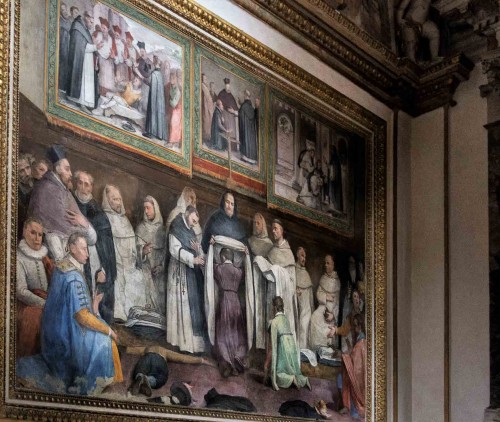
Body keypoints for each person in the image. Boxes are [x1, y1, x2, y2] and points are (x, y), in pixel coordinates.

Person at [40, 232, 123, 395]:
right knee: (107, 341)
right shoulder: (73, 277)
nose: (87, 253)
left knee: (102, 325)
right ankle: (102, 382)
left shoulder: (62, 267)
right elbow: (81, 316)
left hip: (55, 329)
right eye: (84, 249)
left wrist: (94, 305)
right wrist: (109, 331)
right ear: (71, 248)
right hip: (66, 337)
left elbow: (75, 308)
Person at [28, 145, 97, 261]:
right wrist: (86, 227)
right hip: (52, 253)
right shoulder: (46, 189)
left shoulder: (63, 189)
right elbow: (62, 226)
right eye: (67, 169)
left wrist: (84, 224)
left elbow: (77, 218)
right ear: (58, 170)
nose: (70, 173)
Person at [73, 170, 116, 324]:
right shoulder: (70, 204)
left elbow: (107, 246)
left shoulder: (98, 212)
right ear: (76, 184)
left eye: (87, 184)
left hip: (95, 263)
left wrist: (104, 269)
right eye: (80, 183)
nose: (83, 187)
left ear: (91, 187)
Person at [102, 184, 147, 322]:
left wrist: (141, 252)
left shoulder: (125, 220)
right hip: (115, 264)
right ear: (107, 201)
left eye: (119, 199)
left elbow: (133, 247)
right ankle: (119, 315)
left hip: (130, 264)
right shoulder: (106, 219)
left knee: (139, 277)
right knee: (119, 281)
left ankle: (135, 315)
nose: (118, 202)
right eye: (114, 199)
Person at [166, 205, 206, 353]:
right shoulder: (176, 225)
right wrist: (192, 259)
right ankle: (181, 343)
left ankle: (192, 345)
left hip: (191, 273)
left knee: (193, 305)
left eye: (195, 222)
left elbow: (199, 251)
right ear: (187, 214)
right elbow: (174, 250)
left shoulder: (191, 230)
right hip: (180, 271)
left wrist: (197, 252)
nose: (193, 224)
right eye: (192, 220)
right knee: (181, 306)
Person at [253, 219, 298, 349]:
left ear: (282, 231)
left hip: (284, 295)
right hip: (272, 292)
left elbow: (292, 280)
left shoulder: (288, 253)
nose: (273, 231)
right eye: (272, 228)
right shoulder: (272, 251)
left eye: (276, 228)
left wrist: (278, 271)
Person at [16, 218, 54, 357]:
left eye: (40, 234)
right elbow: (20, 292)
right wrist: (44, 304)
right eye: (33, 233)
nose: (37, 238)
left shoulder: (44, 257)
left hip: (45, 299)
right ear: (24, 232)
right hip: (26, 305)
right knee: (35, 318)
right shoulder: (18, 258)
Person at [213, 248, 247, 377]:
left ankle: (227, 362)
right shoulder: (238, 271)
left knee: (223, 332)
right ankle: (237, 356)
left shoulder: (219, 268)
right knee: (237, 332)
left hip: (225, 300)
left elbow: (209, 265)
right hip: (236, 301)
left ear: (222, 257)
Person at [264, 296, 310, 391]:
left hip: (283, 348)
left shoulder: (274, 322)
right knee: (294, 370)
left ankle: (292, 379)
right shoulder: (285, 319)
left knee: (278, 375)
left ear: (274, 308)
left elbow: (273, 347)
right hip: (292, 346)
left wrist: (267, 366)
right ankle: (304, 380)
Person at [66, 11, 102, 113]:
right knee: (83, 83)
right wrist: (96, 47)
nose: (91, 24)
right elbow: (81, 47)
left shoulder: (83, 29)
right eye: (90, 22)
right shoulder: (78, 28)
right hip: (82, 62)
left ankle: (82, 102)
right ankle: (82, 103)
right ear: (86, 18)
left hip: (86, 61)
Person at [136, 196, 166, 314]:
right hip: (146, 270)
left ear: (155, 209)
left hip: (159, 273)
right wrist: (143, 251)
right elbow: (134, 253)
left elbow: (166, 254)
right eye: (144, 208)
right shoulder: (140, 229)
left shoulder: (163, 231)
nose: (146, 211)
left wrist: (161, 267)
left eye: (148, 208)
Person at [337, 313, 366, 419]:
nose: (353, 328)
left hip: (357, 380)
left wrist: (343, 356)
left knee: (340, 378)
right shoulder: (361, 340)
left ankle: (348, 406)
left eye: (355, 326)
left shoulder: (361, 344)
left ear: (359, 327)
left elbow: (356, 366)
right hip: (358, 376)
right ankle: (346, 406)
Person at [309, 254, 341, 350]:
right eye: (325, 263)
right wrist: (326, 296)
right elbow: (318, 293)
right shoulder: (323, 278)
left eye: (328, 263)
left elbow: (337, 303)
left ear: (333, 265)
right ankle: (316, 349)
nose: (326, 265)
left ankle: (326, 350)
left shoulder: (337, 281)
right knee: (314, 318)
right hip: (322, 307)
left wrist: (333, 315)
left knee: (328, 327)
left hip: (331, 311)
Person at [140, 55, 167, 141]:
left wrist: (140, 77)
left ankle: (152, 132)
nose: (153, 62)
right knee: (157, 113)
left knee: (153, 112)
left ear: (156, 62)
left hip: (154, 98)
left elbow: (149, 82)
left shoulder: (155, 73)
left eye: (154, 60)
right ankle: (159, 134)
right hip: (158, 98)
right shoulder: (159, 74)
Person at [331, 289, 364, 354]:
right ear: (352, 300)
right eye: (354, 297)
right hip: (355, 342)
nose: (356, 299)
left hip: (362, 341)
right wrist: (336, 330)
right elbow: (345, 329)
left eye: (357, 297)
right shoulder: (350, 316)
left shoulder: (363, 313)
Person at [295, 247, 313, 349]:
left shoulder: (306, 273)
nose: (304, 259)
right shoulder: (293, 270)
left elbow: (310, 295)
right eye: (302, 255)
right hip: (297, 307)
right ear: (297, 255)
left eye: (305, 256)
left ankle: (304, 351)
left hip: (306, 309)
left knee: (305, 326)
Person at [238, 90, 259, 164]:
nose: (243, 96)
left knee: (246, 140)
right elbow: (252, 116)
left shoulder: (244, 106)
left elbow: (241, 114)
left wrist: (239, 108)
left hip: (246, 129)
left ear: (246, 96)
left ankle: (245, 157)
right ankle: (252, 159)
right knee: (251, 142)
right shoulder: (251, 107)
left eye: (244, 95)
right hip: (251, 131)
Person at [95, 18, 115, 95]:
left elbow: (110, 49)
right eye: (102, 28)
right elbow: (97, 46)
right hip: (100, 56)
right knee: (102, 75)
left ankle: (107, 92)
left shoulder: (110, 38)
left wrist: (110, 55)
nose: (103, 30)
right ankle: (101, 92)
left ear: (107, 29)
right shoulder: (99, 35)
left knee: (109, 74)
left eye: (104, 28)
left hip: (108, 58)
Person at [217, 78, 239, 144]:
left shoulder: (230, 95)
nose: (228, 88)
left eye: (228, 86)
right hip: (224, 114)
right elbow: (218, 105)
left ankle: (232, 145)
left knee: (232, 131)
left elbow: (235, 106)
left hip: (231, 116)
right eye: (226, 86)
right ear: (225, 86)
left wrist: (234, 110)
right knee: (226, 130)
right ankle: (225, 144)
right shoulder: (221, 94)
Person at [18, 153, 34, 238]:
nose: (27, 173)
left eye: (27, 168)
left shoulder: (36, 183)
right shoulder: (16, 192)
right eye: (21, 171)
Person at [166, 69, 182, 146]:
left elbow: (173, 103)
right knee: (170, 122)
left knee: (174, 123)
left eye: (173, 78)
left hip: (177, 109)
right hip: (173, 109)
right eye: (170, 78)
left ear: (176, 79)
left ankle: (172, 142)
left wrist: (169, 100)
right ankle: (173, 141)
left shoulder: (177, 90)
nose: (171, 80)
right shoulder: (171, 86)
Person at [58, 2, 72, 92]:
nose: (65, 12)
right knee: (62, 65)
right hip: (62, 47)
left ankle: (65, 87)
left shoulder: (69, 21)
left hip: (68, 47)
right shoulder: (60, 21)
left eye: (65, 9)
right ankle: (61, 86)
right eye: (62, 10)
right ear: (60, 12)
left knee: (68, 66)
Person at [201, 73, 215, 144]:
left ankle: (207, 138)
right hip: (205, 108)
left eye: (206, 79)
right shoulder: (203, 86)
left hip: (208, 107)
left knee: (208, 123)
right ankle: (205, 138)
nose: (206, 80)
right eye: (205, 79)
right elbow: (208, 98)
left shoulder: (205, 87)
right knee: (206, 122)